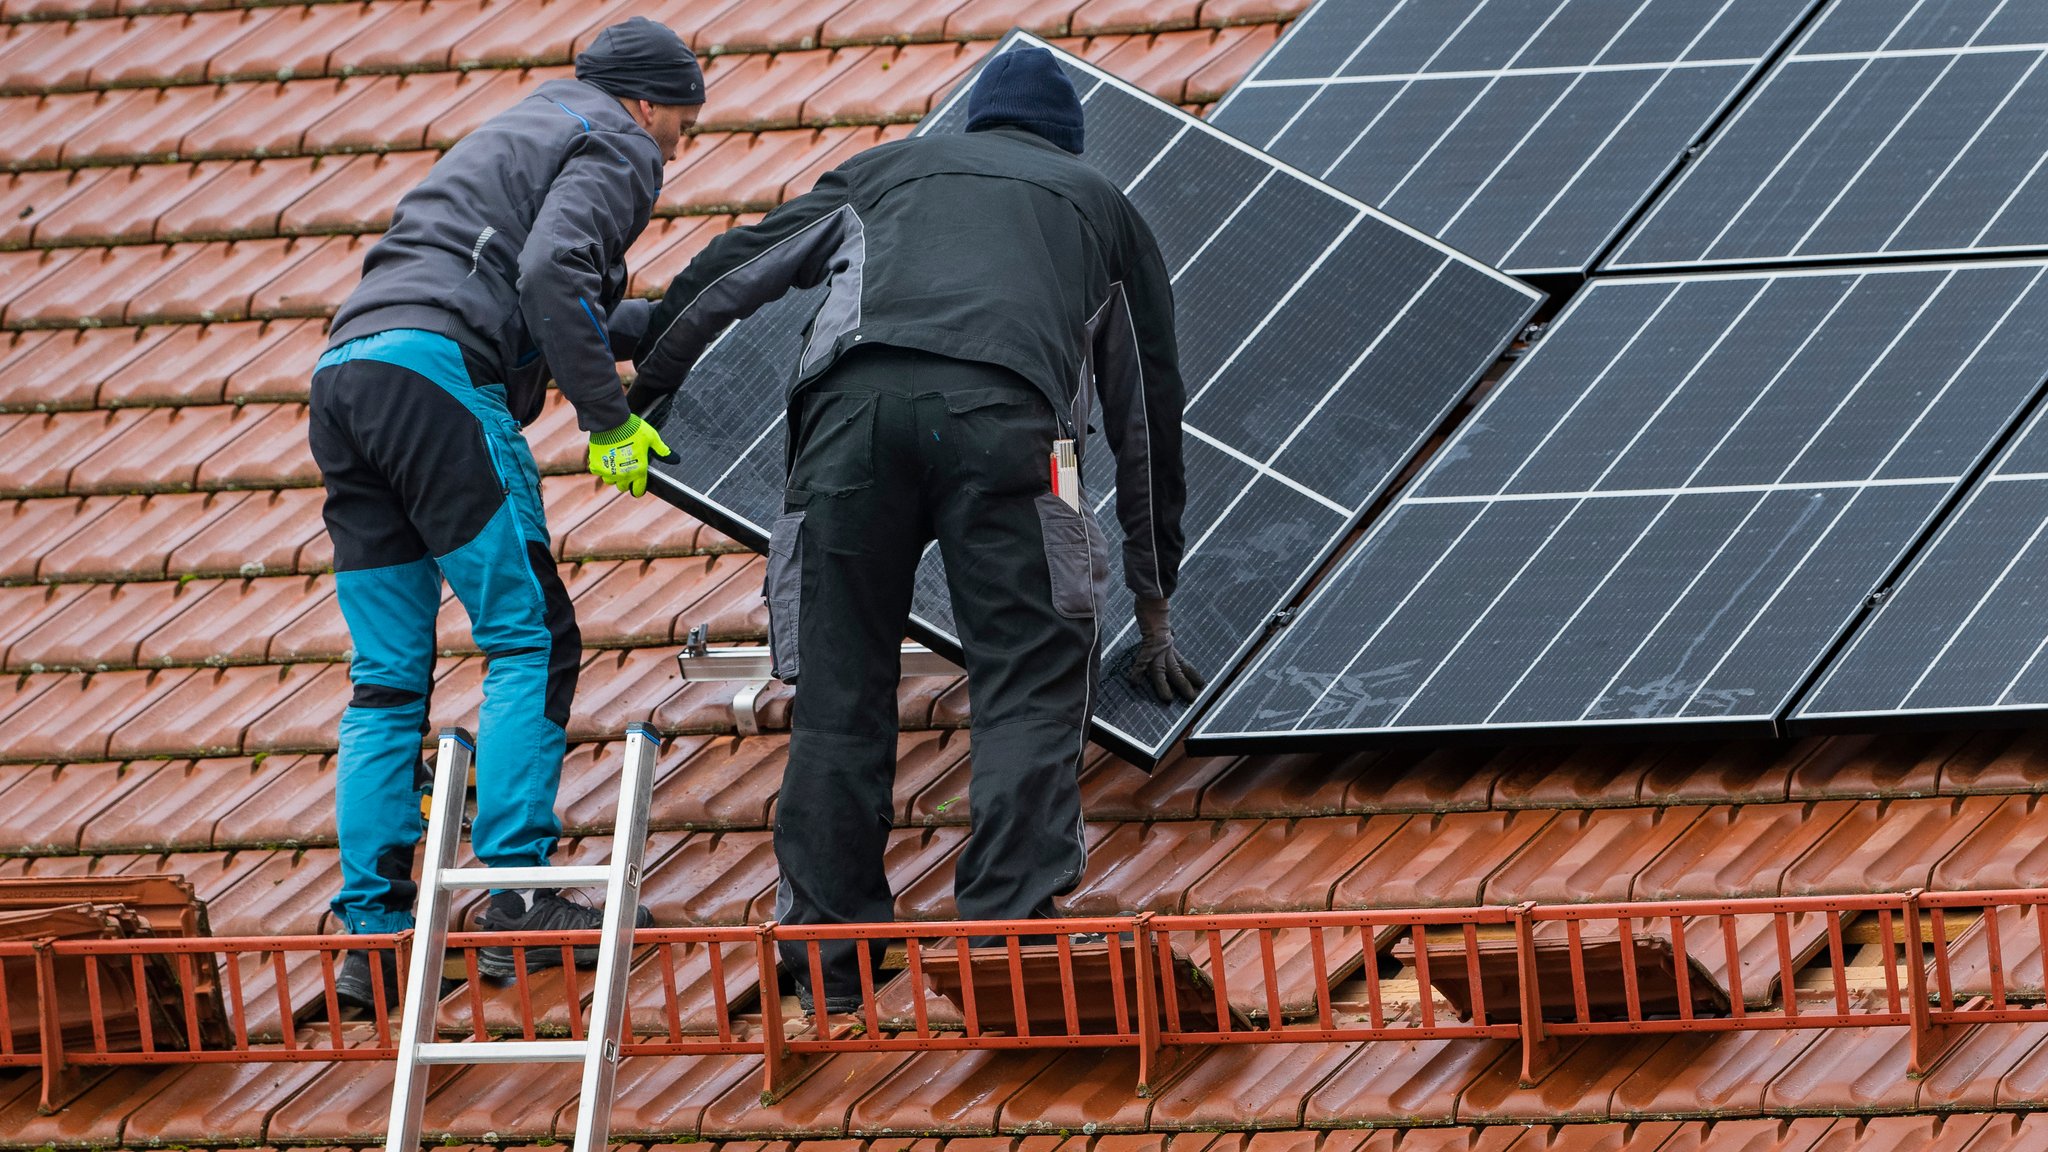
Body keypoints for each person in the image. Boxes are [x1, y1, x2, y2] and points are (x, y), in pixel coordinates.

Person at [627, 46, 1205, 1012]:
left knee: (841, 686)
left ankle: (829, 951)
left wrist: (651, 393)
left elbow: (739, 267)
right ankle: (1007, 927)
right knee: (1028, 666)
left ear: (975, 126)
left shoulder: (888, 170)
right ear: (1065, 142)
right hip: (1007, 430)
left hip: (847, 432)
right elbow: (1146, 407)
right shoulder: (1101, 208)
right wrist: (1152, 604)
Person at [310, 16, 702, 1009]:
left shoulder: (520, 129)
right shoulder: (616, 142)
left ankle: (375, 940)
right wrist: (607, 423)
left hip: (349, 377)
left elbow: (526, 289)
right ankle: (514, 900)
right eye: (682, 126)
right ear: (649, 104)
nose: (680, 148)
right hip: (441, 380)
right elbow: (549, 277)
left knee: (388, 680)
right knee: (533, 638)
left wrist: (669, 325)